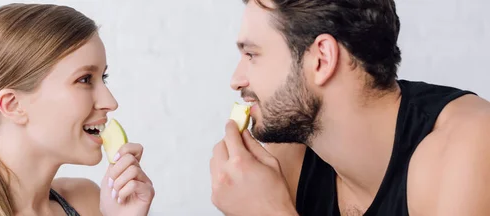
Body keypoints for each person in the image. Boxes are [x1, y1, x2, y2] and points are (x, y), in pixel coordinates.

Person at [210, 0, 490, 215]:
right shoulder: (286, 161)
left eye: (251, 54)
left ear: (322, 58)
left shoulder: (469, 145)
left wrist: (270, 212)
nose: (236, 80)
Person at [0, 3, 154, 216]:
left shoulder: (88, 201)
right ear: (13, 105)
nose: (110, 102)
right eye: (85, 79)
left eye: (102, 77)